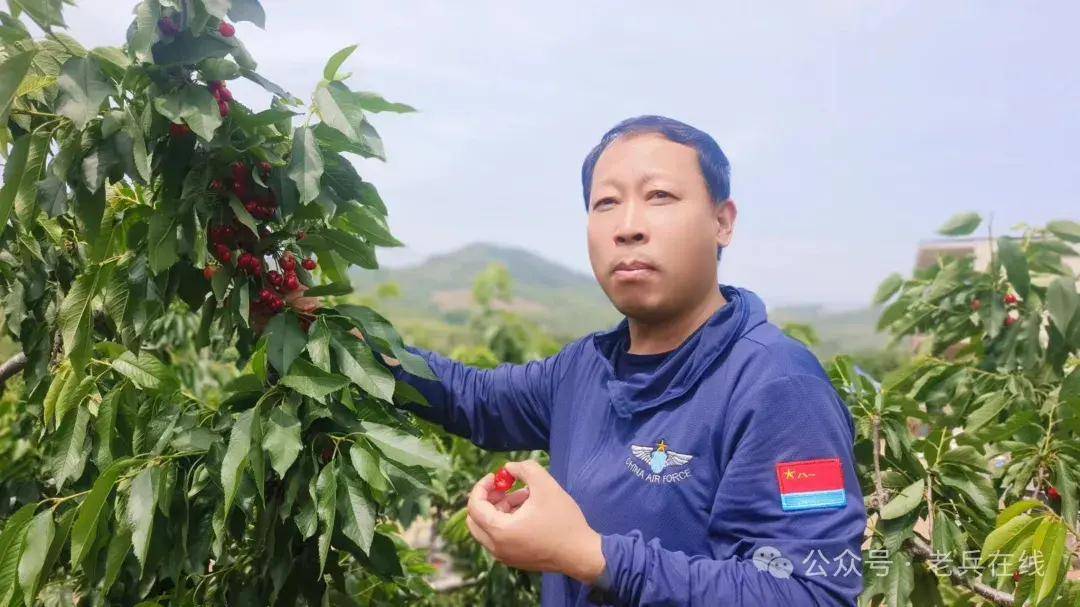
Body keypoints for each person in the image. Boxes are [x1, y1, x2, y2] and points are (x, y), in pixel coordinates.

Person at [377, 115, 867, 606]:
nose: (628, 227)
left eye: (659, 197)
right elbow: (475, 397)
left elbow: (812, 591)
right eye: (606, 203)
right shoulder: (585, 369)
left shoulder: (779, 387)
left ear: (722, 221)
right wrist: (351, 342)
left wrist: (590, 556)